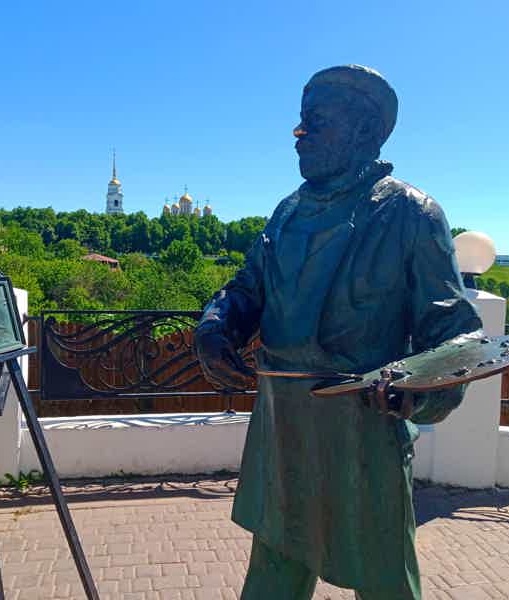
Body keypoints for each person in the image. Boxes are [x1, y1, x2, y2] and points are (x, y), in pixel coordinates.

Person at [193, 65, 483, 600]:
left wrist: (414, 385)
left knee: (384, 578)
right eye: (301, 121)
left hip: (363, 434)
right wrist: (216, 326)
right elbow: (246, 290)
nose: (298, 134)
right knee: (274, 574)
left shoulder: (410, 214)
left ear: (366, 132)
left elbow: (458, 337)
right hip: (284, 429)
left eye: (316, 121)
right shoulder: (287, 213)